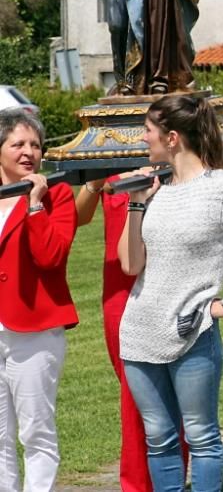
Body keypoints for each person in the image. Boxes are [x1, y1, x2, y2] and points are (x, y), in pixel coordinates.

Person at [118, 95, 223, 492]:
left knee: (201, 436)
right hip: (139, 331)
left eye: (148, 132)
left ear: (172, 138)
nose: (143, 139)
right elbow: (130, 265)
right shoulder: (157, 190)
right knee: (158, 438)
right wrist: (136, 205)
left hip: (192, 333)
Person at [77, 172, 180, 492]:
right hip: (119, 298)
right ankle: (137, 484)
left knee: (174, 398)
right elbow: (76, 218)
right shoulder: (107, 161)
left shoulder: (175, 159)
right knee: (133, 398)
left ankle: (166, 481)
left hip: (168, 291)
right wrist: (94, 182)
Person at [0, 110, 78, 491]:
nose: (28, 152)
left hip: (34, 329)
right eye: (18, 144)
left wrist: (34, 204)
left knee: (36, 431)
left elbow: (50, 256)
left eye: (35, 145)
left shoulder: (57, 195)